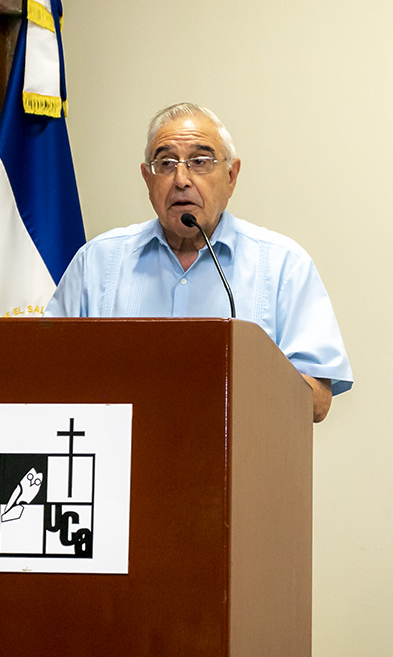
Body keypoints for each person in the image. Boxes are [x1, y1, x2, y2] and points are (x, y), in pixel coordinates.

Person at [46, 102, 352, 422]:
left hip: (239, 464)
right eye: (166, 163)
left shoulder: (283, 265)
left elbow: (316, 401)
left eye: (200, 161)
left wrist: (238, 377)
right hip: (118, 462)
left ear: (231, 175)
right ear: (147, 179)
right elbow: (43, 375)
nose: (181, 179)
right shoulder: (96, 263)